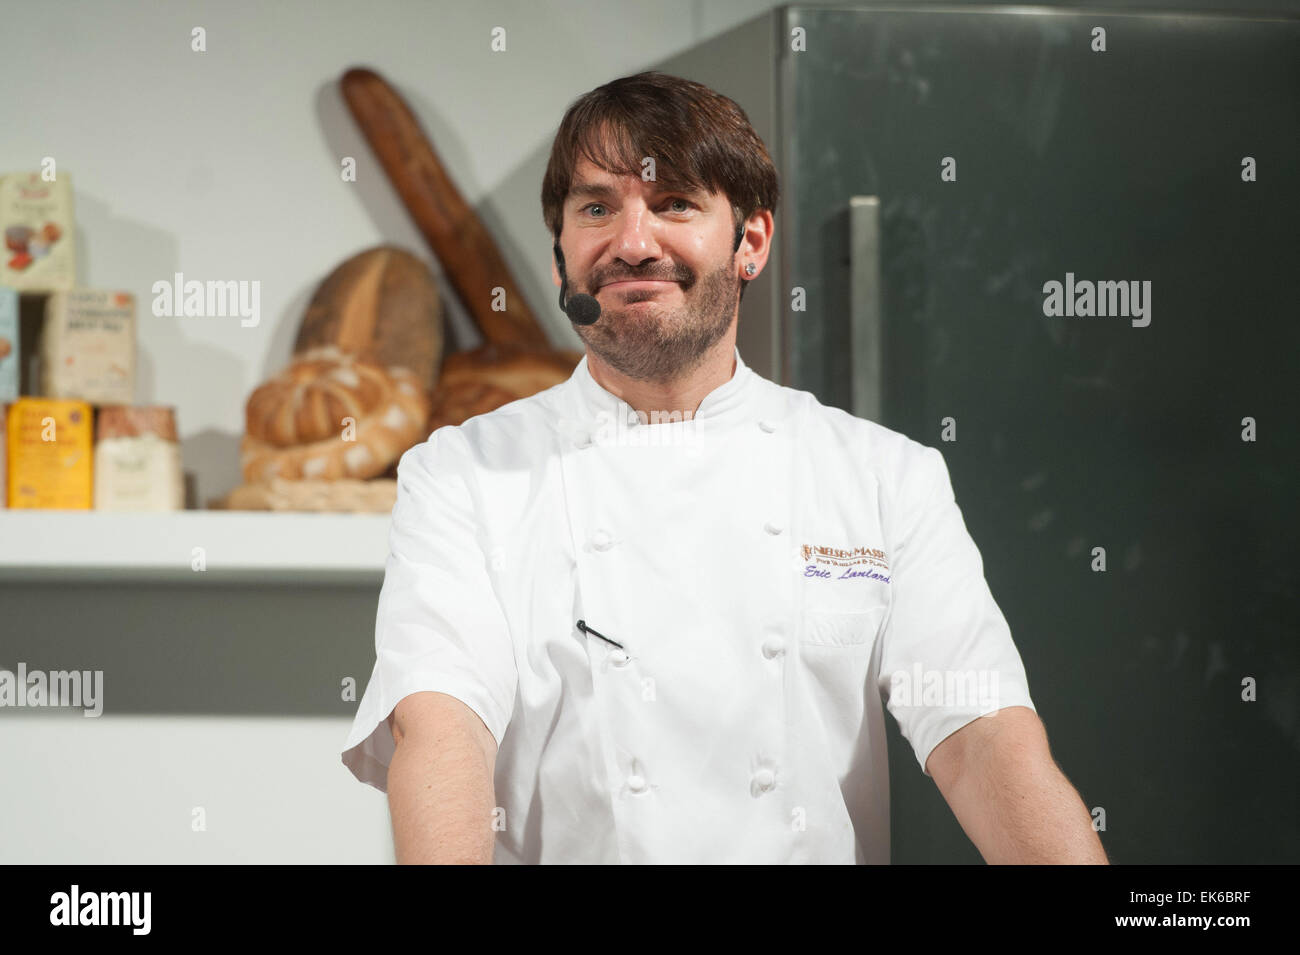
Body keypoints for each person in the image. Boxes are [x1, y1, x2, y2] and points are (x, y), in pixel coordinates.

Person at [341, 70, 1108, 865]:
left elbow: (984, 737)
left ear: (751, 241)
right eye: (596, 207)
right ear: (563, 248)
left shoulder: (883, 477)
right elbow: (441, 726)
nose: (632, 244)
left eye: (674, 202)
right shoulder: (463, 476)